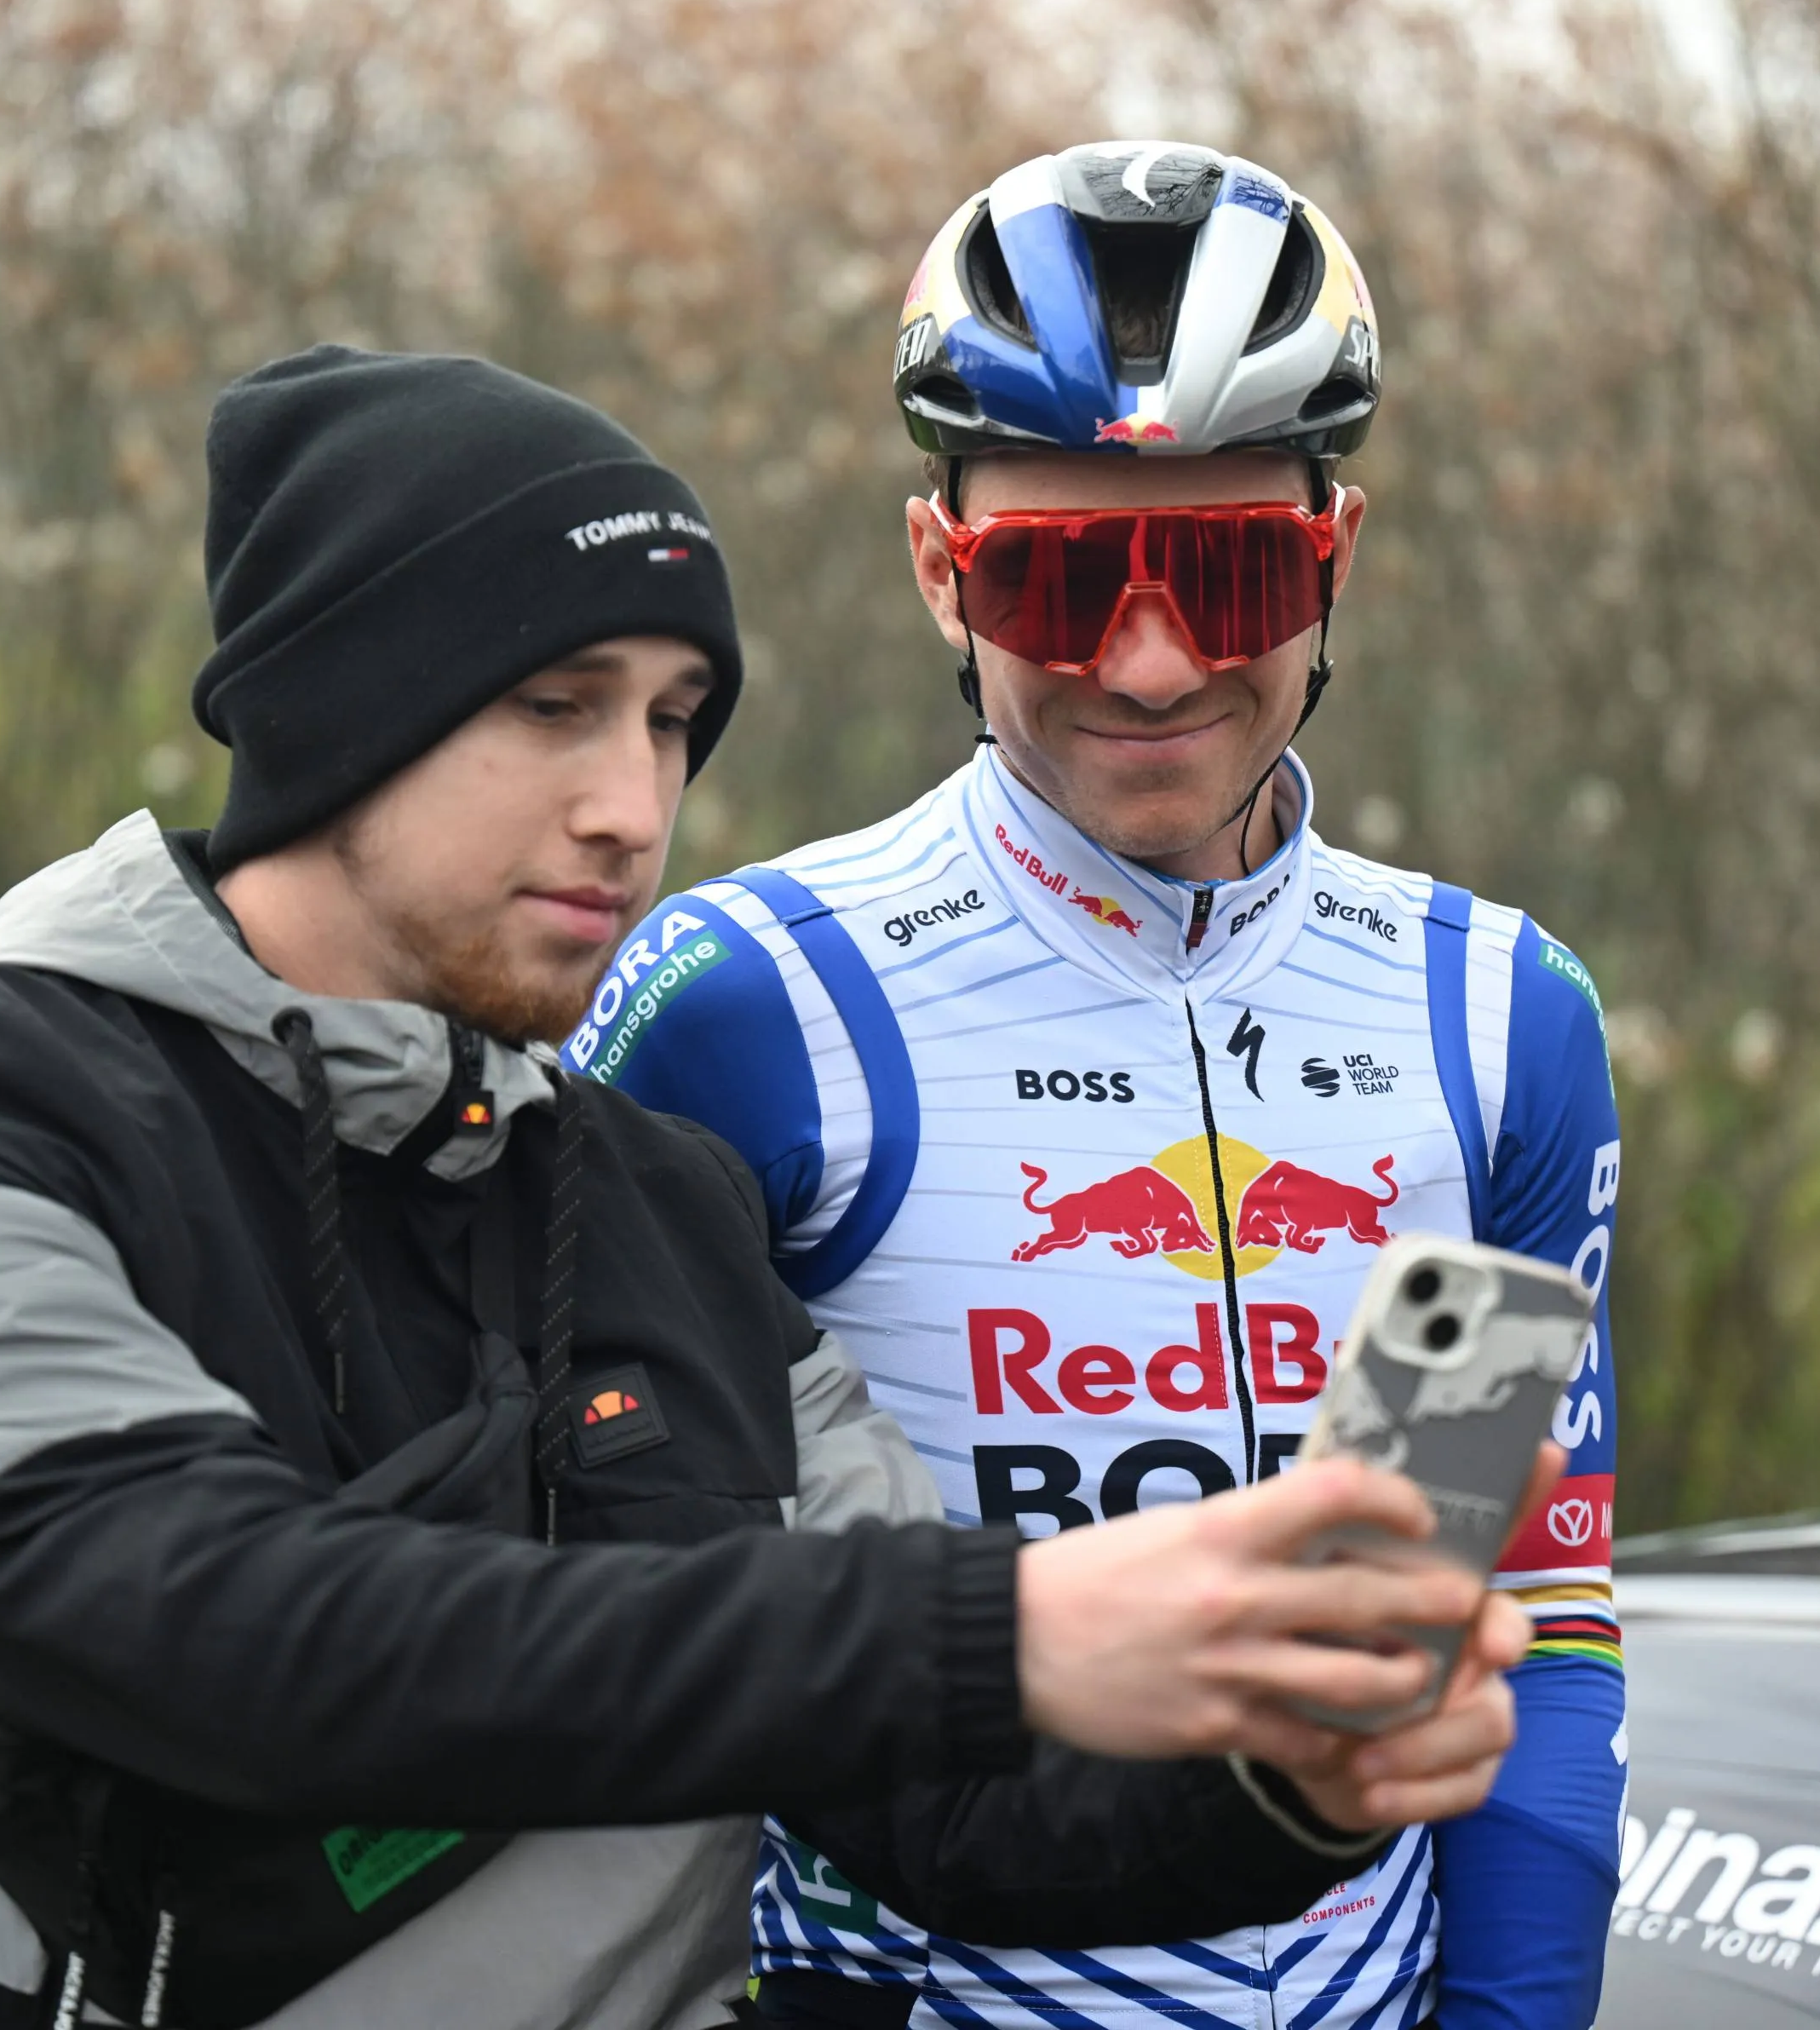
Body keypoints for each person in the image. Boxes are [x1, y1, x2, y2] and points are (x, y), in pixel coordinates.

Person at [0, 348, 1553, 2030]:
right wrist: (1016, 1623)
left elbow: (952, 1797)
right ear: (330, 709)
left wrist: (1280, 1773)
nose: (635, 801)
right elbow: (200, 1626)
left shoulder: (657, 1206)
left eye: (678, 720)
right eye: (556, 702)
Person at [577, 143, 1627, 2029]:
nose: (1151, 659)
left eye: (1229, 567)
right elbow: (598, 1641)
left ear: (1336, 557)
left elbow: (1520, 1621)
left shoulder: (1492, 1018)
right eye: (1061, 582)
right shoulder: (744, 1005)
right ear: (939, 573)